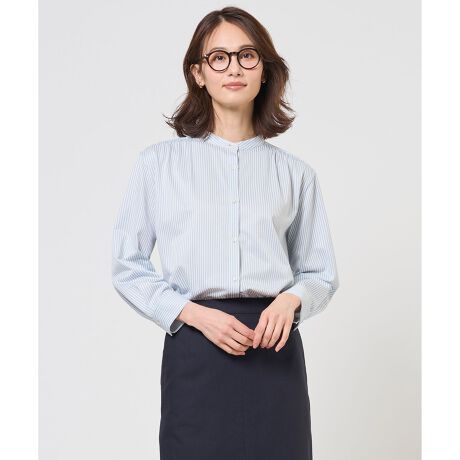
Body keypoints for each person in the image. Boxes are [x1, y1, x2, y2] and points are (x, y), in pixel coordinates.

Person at [111, 6, 339, 460]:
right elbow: (127, 266)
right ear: (198, 73)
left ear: (264, 70)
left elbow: (320, 273)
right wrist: (193, 314)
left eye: (247, 56)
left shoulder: (296, 175)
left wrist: (291, 301)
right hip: (196, 347)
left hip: (274, 351)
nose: (233, 68)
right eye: (218, 57)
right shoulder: (158, 165)